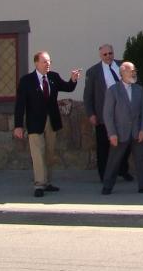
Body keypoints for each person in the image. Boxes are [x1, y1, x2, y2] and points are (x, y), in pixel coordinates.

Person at [13, 51, 80, 198]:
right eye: (44, 61)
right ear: (36, 63)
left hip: (51, 121)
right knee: (38, 154)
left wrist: (73, 79)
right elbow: (20, 104)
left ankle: (47, 182)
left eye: (49, 61)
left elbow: (68, 87)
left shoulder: (53, 77)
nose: (48, 64)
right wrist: (18, 125)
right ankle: (39, 184)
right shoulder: (26, 80)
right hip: (35, 122)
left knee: (49, 153)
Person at [101, 62, 143, 195]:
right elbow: (108, 114)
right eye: (131, 71)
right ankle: (107, 186)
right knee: (114, 161)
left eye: (134, 71)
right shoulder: (113, 90)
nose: (134, 73)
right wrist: (112, 133)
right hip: (119, 132)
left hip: (136, 131)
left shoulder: (139, 89)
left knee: (141, 159)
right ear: (122, 73)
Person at [83, 43, 132, 183]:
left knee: (126, 143)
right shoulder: (93, 72)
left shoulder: (123, 66)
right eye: (105, 54)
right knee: (103, 145)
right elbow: (88, 95)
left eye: (110, 53)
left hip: (124, 113)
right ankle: (104, 174)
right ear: (100, 56)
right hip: (104, 114)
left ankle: (122, 169)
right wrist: (91, 113)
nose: (108, 56)